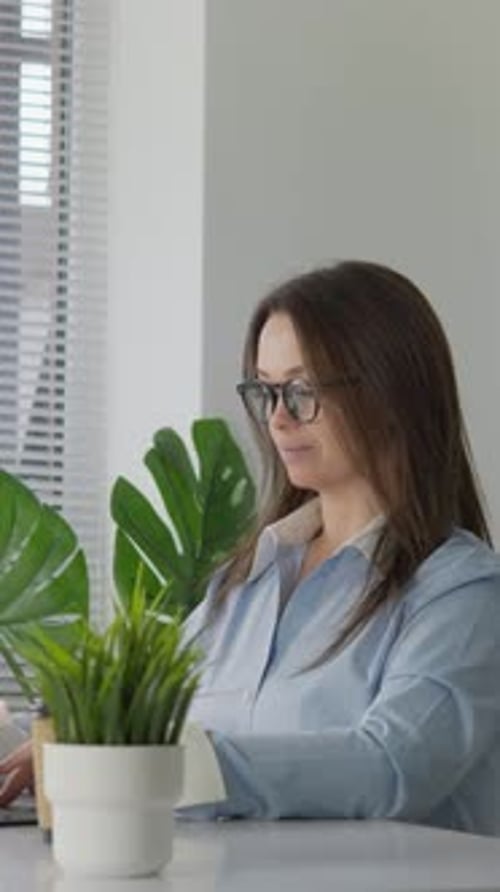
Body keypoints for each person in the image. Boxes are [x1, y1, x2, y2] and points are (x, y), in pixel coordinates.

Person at [2, 260, 500, 834]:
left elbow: (392, 766)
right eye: (266, 391)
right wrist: (42, 744)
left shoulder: (462, 594)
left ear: (392, 394)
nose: (278, 418)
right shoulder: (243, 583)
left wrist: (160, 765)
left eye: (303, 390)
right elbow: (140, 727)